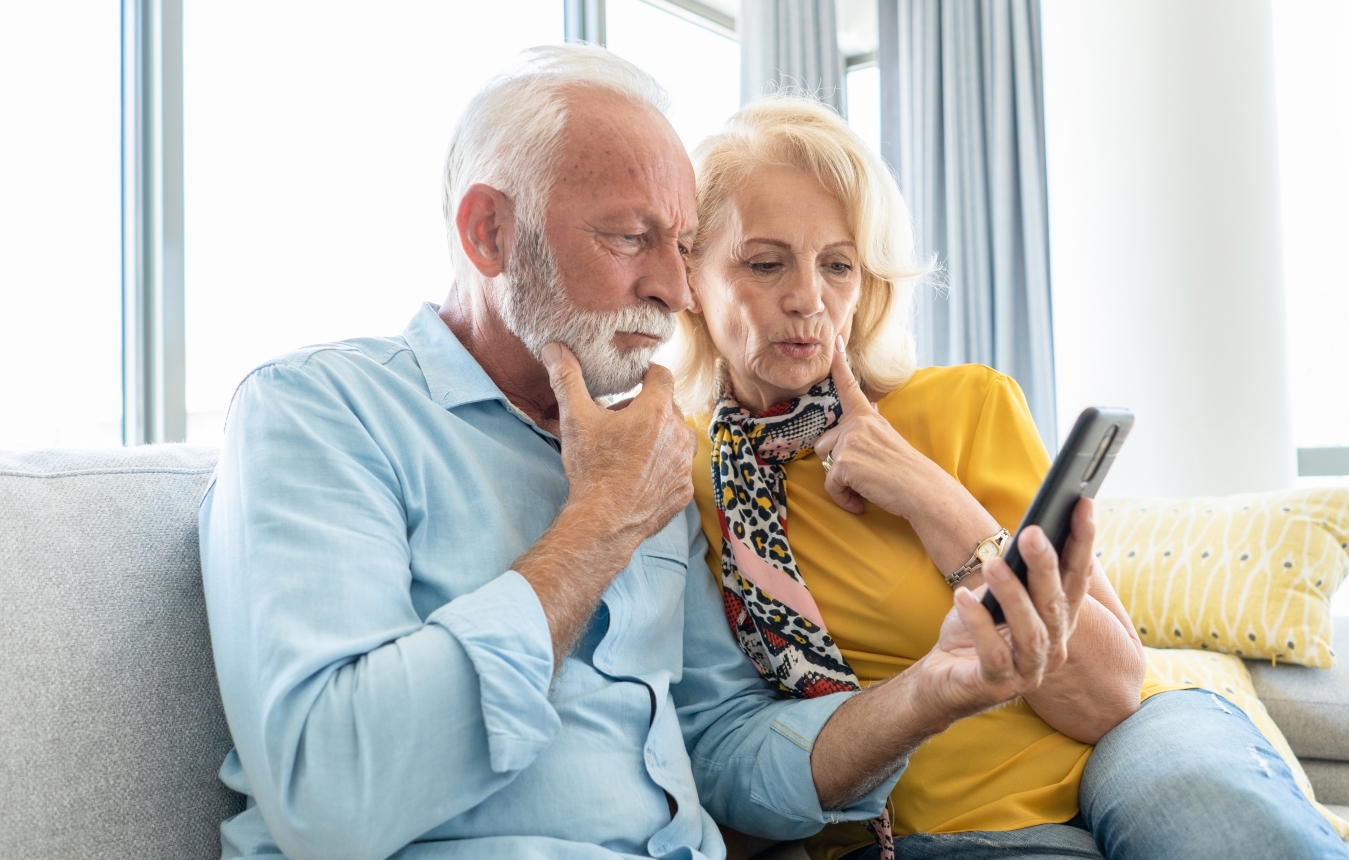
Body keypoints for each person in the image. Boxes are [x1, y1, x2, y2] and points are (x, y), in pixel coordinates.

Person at [200, 46, 1111, 860]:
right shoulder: (321, 413)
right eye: (630, 238)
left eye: (680, 248)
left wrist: (933, 692)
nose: (676, 291)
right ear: (489, 234)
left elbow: (721, 755)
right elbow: (331, 794)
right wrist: (598, 526)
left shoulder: (649, 459)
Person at [677, 95, 1349, 860]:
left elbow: (1109, 695)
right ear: (690, 276)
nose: (809, 298)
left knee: (1215, 820)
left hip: (1131, 744)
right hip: (932, 828)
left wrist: (931, 496)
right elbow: (730, 748)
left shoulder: (963, 403)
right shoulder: (683, 477)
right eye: (766, 263)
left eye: (838, 264)